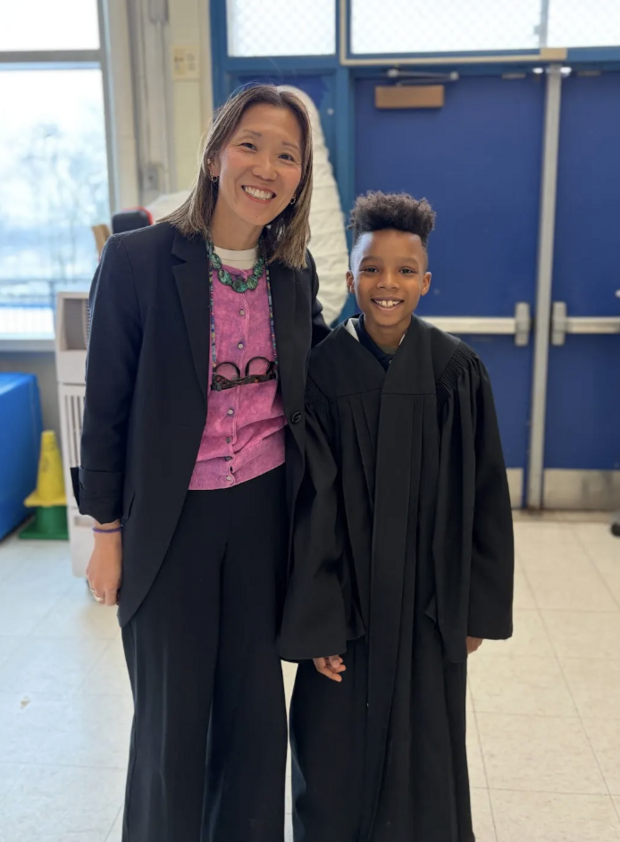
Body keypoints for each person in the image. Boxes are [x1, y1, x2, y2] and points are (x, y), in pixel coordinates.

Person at [73, 85, 329, 842]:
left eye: (288, 154)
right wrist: (107, 534)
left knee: (253, 722)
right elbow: (107, 408)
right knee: (172, 725)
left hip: (260, 518)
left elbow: (319, 379)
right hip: (169, 524)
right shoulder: (139, 261)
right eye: (250, 144)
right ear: (216, 154)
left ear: (301, 176)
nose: (266, 167)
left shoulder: (293, 268)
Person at [278, 191, 514, 842]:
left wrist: (477, 612)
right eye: (373, 269)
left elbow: (487, 501)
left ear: (426, 281)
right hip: (345, 615)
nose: (388, 284)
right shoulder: (319, 377)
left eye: (405, 270)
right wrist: (315, 621)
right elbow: (302, 506)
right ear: (351, 277)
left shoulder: (457, 372)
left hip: (427, 610)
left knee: (426, 757)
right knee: (330, 760)